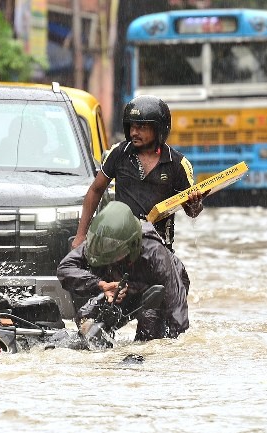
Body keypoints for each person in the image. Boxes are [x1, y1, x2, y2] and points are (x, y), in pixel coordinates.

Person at [71, 95, 204, 251]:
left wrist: (195, 204)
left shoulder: (178, 164)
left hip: (159, 249)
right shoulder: (118, 153)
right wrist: (80, 235)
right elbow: (95, 190)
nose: (134, 132)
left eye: (141, 127)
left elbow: (192, 212)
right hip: (120, 247)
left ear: (158, 129)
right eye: (132, 127)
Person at [57, 201, 189, 341]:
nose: (107, 254)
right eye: (103, 248)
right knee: (86, 317)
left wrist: (176, 343)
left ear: (132, 245)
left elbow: (177, 307)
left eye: (112, 249)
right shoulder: (97, 245)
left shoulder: (155, 253)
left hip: (156, 293)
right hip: (123, 289)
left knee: (149, 325)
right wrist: (100, 285)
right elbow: (65, 269)